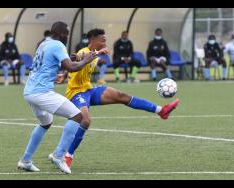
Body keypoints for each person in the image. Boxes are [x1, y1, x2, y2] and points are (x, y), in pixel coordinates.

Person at [57, 28, 180, 174]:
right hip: (76, 92)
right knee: (85, 120)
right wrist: (77, 59)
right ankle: (68, 156)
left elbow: (76, 64)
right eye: (102, 40)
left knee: (122, 95)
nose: (105, 42)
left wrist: (64, 76)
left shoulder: (94, 53)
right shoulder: (84, 51)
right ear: (93, 40)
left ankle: (161, 111)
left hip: (88, 90)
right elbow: (76, 58)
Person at [17, 21, 97, 174]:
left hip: (29, 91)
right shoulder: (58, 45)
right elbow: (72, 67)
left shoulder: (44, 43)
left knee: (45, 122)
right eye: (67, 34)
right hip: (41, 92)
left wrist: (67, 60)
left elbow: (46, 65)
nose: (68, 37)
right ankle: (58, 155)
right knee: (77, 116)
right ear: (61, 34)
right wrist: (87, 59)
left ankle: (25, 160)